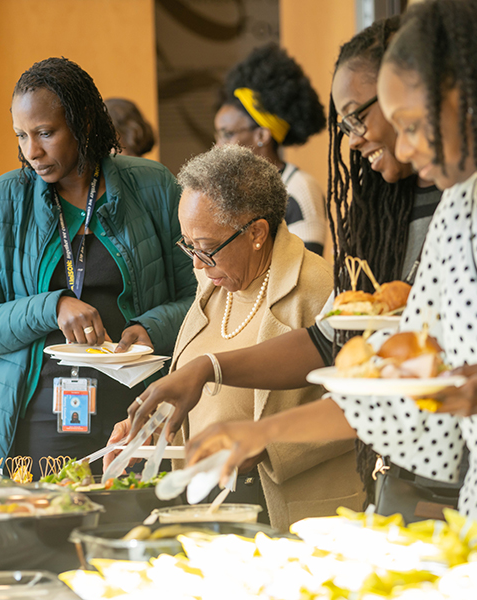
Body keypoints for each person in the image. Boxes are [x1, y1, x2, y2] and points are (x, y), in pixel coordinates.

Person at [186, 0, 477, 527]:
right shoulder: (460, 210)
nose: (408, 145)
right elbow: (392, 383)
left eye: (415, 123)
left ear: (473, 96)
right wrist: (262, 432)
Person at [120, 16, 446, 508]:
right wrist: (203, 372)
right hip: (403, 475)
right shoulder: (382, 212)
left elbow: (349, 377)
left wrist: (263, 435)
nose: (352, 139)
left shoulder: (313, 258)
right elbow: (329, 344)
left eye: (358, 117)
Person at [0, 58, 195, 473]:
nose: (32, 152)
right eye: (22, 136)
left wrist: (153, 327)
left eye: (45, 133)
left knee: (134, 528)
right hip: (36, 421)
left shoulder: (153, 186)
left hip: (138, 410)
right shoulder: (0, 203)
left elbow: (201, 297)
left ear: (83, 124)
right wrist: (53, 306)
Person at [155, 144, 366, 529]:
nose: (195, 264)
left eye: (205, 250)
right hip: (211, 498)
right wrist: (157, 423)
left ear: (256, 233)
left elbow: (363, 410)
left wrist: (266, 441)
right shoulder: (214, 281)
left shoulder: (317, 288)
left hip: (291, 506)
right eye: (188, 246)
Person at [215, 44, 327, 255]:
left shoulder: (300, 189)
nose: (218, 146)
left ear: (261, 136)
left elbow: (306, 274)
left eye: (227, 134)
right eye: (218, 134)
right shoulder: (237, 189)